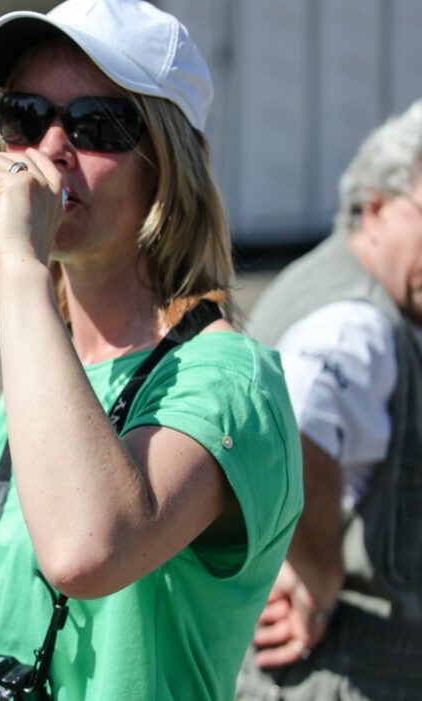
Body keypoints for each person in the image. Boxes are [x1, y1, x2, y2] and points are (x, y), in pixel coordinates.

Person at [0, 1, 303, 699]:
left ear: (177, 162)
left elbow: (88, 550)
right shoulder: (48, 366)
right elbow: (23, 604)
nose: (50, 150)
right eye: (25, 117)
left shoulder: (232, 379)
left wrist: (22, 268)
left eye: (97, 125)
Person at [236, 101, 422, 699]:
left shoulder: (334, 276)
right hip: (340, 670)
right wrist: (319, 580)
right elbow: (290, 431)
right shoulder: (354, 324)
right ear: (375, 209)